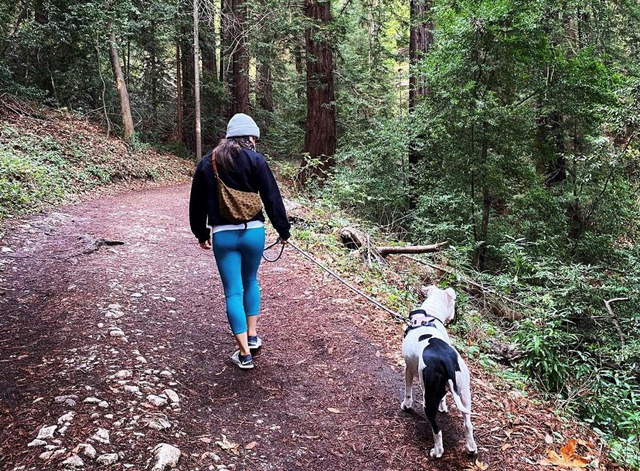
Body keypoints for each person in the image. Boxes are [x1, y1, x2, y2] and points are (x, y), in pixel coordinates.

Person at [189, 113, 290, 370]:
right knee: (251, 281)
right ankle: (253, 336)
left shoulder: (206, 163)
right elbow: (272, 197)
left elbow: (196, 204)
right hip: (254, 232)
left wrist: (200, 233)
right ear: (249, 138)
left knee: (233, 291)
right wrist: (283, 230)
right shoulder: (256, 160)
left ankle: (244, 353)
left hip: (223, 235)